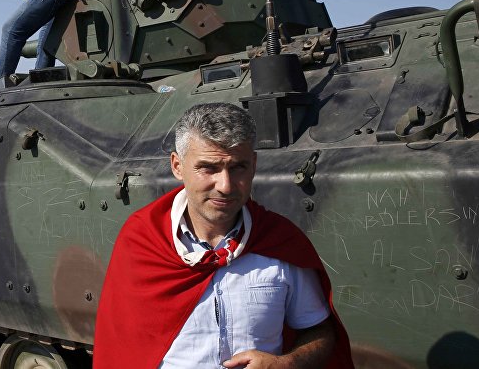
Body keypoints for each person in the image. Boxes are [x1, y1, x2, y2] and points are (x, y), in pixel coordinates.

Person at [94, 103, 353, 369]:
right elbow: (118, 348)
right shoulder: (143, 241)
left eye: (238, 167)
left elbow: (320, 332)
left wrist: (287, 363)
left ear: (253, 165)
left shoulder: (280, 242)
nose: (225, 186)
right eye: (208, 168)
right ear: (177, 166)